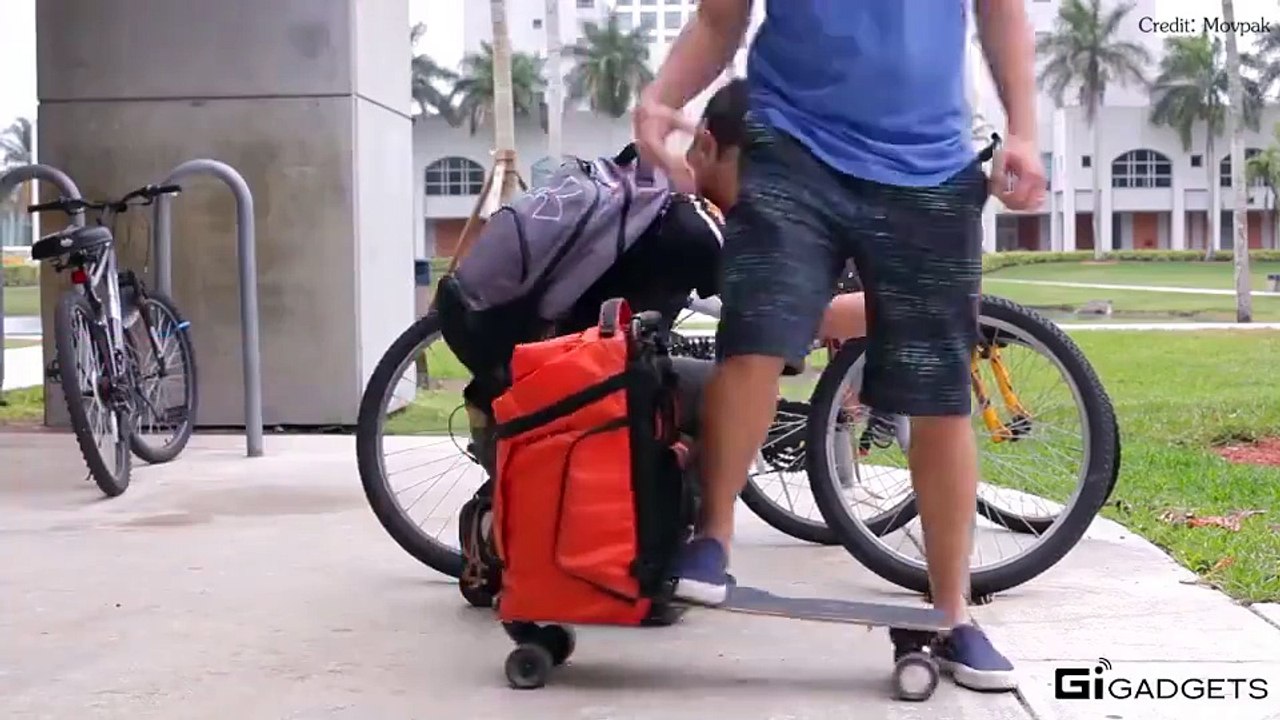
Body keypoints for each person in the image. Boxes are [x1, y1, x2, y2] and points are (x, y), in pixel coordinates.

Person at [634, 0, 1045, 692]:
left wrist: (1026, 133)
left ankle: (952, 615)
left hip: (932, 170)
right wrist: (661, 97)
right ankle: (714, 536)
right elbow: (718, 18)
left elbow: (1002, 12)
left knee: (938, 393)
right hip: (793, 153)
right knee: (758, 333)